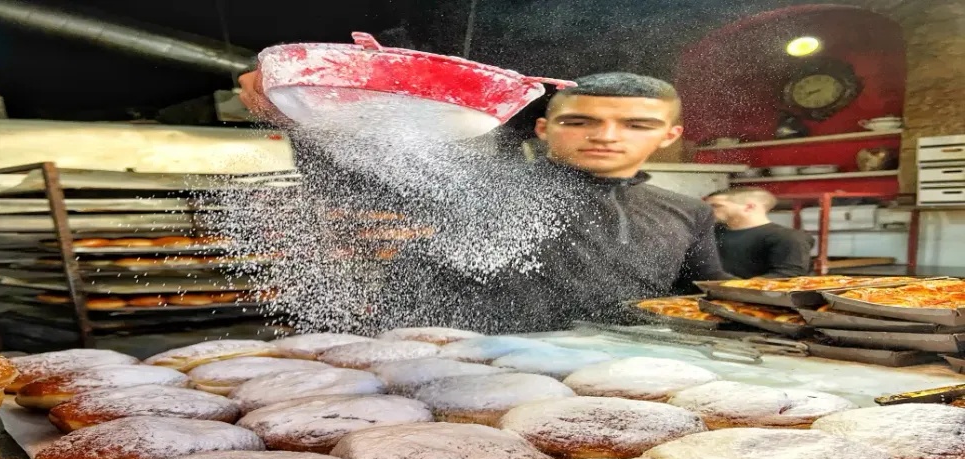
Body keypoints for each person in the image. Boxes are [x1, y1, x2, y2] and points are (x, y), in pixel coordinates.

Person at [238, 68, 732, 332]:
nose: (606, 136)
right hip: (469, 370)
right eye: (579, 121)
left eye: (636, 124)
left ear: (670, 136)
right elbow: (359, 168)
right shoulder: (472, 183)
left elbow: (706, 296)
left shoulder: (688, 211)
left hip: (616, 372)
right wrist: (297, 111)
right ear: (544, 128)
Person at [705, 187, 813, 279]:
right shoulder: (707, 233)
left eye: (716, 206)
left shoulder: (788, 238)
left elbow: (788, 276)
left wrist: (739, 287)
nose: (708, 211)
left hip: (753, 297)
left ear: (749, 207)